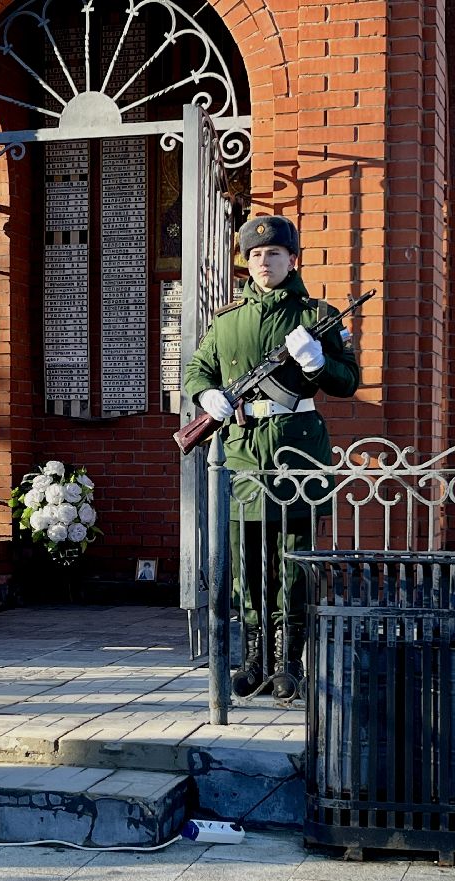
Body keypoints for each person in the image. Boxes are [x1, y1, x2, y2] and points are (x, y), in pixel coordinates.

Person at [182, 215, 360, 700]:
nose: (265, 261)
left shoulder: (316, 315)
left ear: (292, 259)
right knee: (248, 563)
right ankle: (254, 657)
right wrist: (206, 397)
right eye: (256, 255)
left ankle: (289, 662)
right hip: (243, 452)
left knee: (292, 562)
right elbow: (198, 369)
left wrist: (320, 364)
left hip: (298, 449)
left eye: (275, 253)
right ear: (247, 262)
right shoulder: (227, 319)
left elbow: (348, 382)